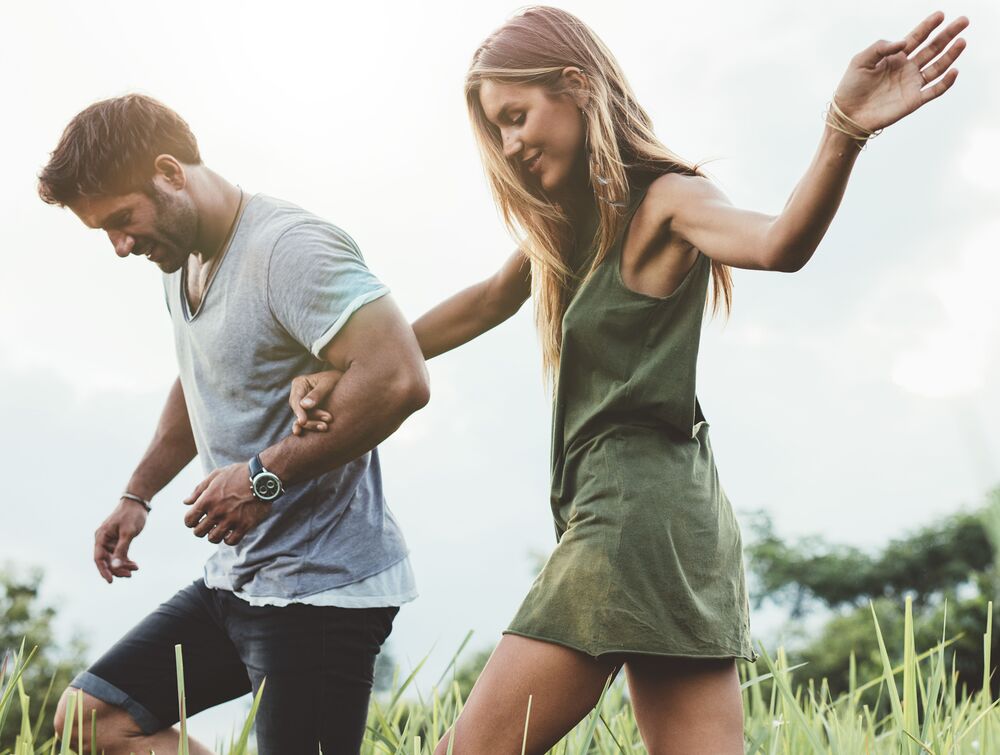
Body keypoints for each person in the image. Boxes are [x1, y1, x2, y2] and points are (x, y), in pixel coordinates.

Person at [288, 6, 968, 754]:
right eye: (496, 130)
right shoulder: (571, 227)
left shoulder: (667, 200)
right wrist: (350, 361)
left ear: (577, 87)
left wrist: (844, 127)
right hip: (680, 526)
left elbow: (779, 243)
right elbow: (485, 301)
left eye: (517, 116)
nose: (510, 145)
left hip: (628, 521)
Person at [38, 94, 430, 755]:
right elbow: (200, 376)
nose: (120, 245)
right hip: (239, 578)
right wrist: (138, 492)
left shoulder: (288, 248)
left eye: (122, 220)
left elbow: (398, 377)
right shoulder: (179, 258)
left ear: (169, 172)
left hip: (321, 589)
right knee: (91, 717)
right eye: (104, 231)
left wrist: (260, 479)